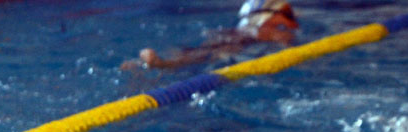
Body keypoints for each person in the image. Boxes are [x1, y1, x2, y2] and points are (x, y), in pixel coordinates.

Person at [125, 0, 299, 71]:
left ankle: (156, 64)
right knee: (203, 55)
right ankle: (161, 63)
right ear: (269, 17)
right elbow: (285, 43)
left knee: (200, 53)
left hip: (225, 51)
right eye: (286, 14)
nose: (291, 22)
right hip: (231, 52)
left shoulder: (243, 32)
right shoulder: (264, 31)